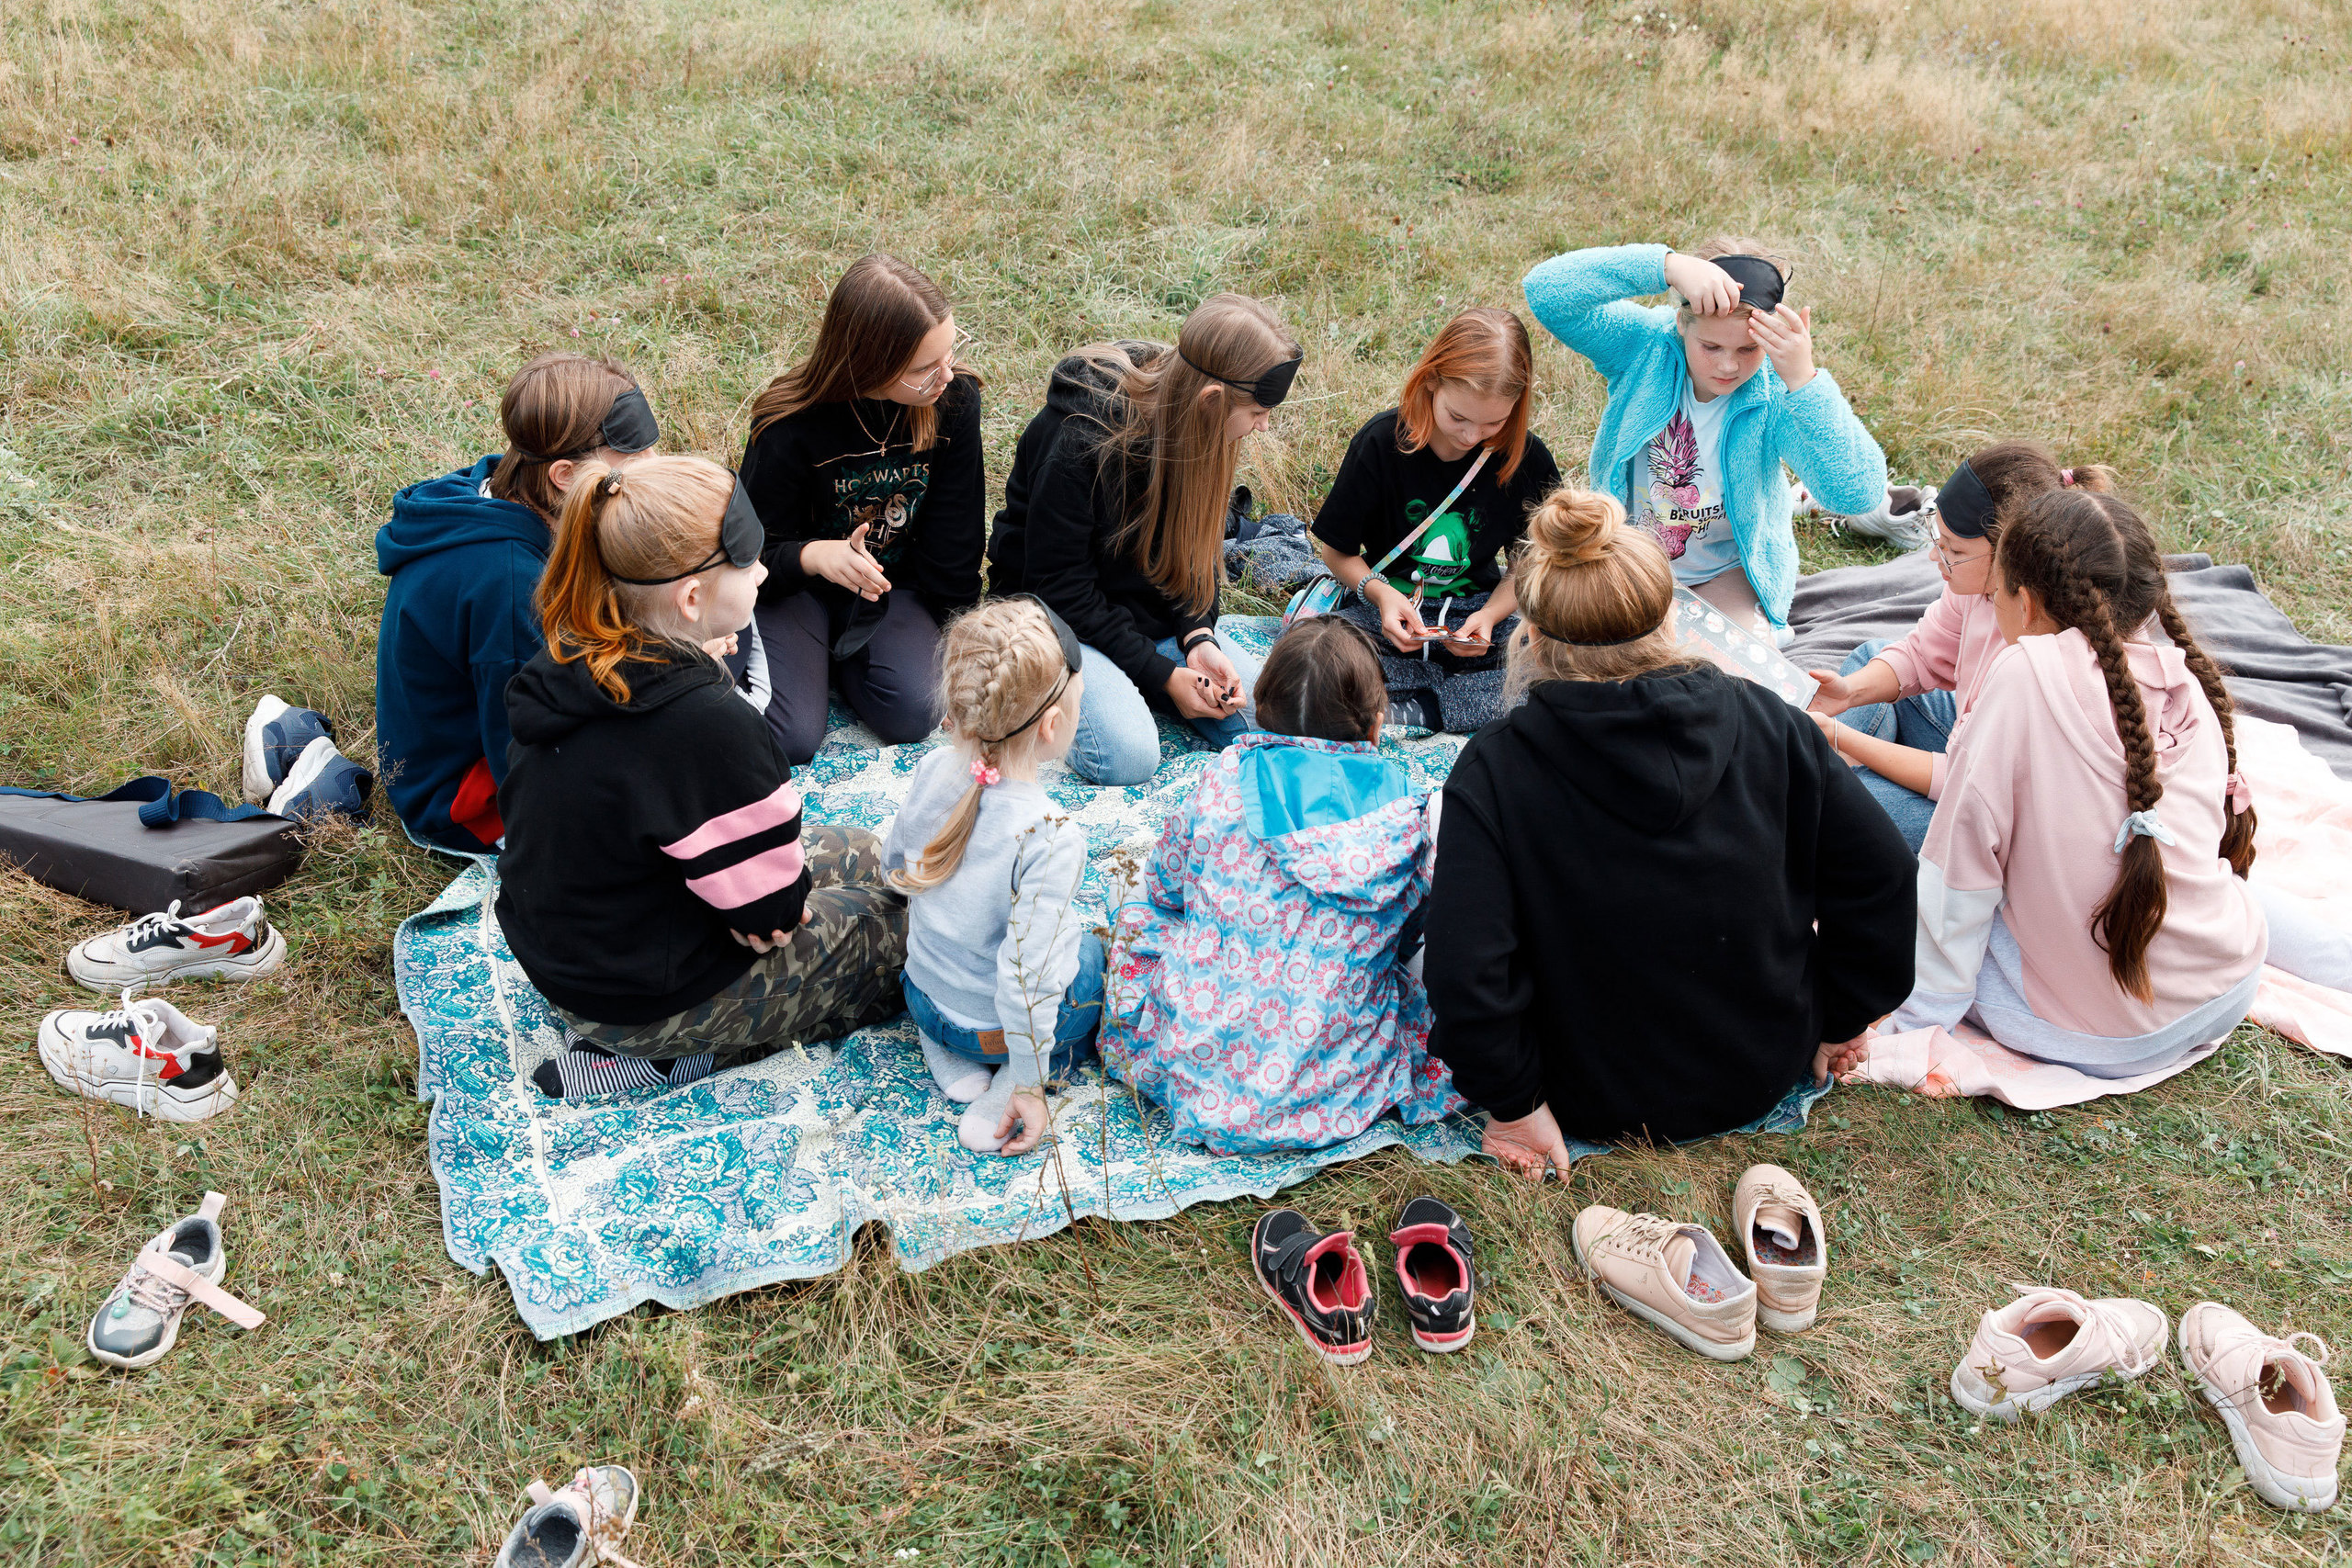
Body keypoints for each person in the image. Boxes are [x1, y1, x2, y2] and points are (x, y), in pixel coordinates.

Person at [1422, 487, 1916, 1173]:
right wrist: (1842, 1018)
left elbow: (1464, 972)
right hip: (1763, 1065)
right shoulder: (1773, 725)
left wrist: (1515, 1106)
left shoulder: (1495, 769)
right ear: (1670, 618)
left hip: (1583, 1094)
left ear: (1530, 637)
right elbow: (1884, 878)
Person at [1828, 489, 2352, 1083]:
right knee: (2199, 880)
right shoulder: (2182, 679)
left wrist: (1919, 1020)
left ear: (2025, 603)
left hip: (2088, 1033)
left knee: (1894, 847)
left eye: (1996, 592)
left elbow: (1960, 879)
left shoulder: (2021, 676)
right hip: (2224, 987)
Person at [495, 456, 907, 1100]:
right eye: (749, 563)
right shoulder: (710, 724)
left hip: (580, 954)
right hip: (638, 1000)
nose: (767, 569)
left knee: (867, 851)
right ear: (691, 599)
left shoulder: (580, 654)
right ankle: (663, 1056)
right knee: (899, 924)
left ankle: (656, 1039)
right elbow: (778, 909)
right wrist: (764, 911)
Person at [1100, 616, 1460, 1154]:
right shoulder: (1410, 815)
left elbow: (1164, 889)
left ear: (1262, 709)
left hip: (1197, 1068)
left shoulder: (1224, 776)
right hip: (1333, 1083)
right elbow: (1416, 934)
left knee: (1129, 906)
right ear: (1377, 723)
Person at [987, 293, 1299, 785]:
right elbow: (1059, 586)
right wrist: (1160, 674)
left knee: (1281, 716)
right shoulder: (1081, 438)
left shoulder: (1207, 428)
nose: (1263, 426)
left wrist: (1198, 637)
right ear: (1211, 400)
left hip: (1146, 617)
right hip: (1055, 619)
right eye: (1258, 411)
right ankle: (1082, 691)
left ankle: (1147, 685)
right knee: (1128, 757)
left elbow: (1197, 553)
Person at [1521, 238, 1887, 643]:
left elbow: (1857, 495)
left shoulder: (1780, 391)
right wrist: (1666, 266)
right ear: (1682, 324)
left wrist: (1805, 382)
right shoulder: (1644, 347)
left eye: (1749, 349)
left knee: (1726, 681)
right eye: (1710, 346)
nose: (1728, 365)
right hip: (1626, 561)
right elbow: (1547, 292)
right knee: (1590, 661)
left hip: (1725, 573)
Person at [376, 354, 659, 852]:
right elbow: (525, 748)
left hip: (483, 725)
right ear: (565, 475)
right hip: (463, 797)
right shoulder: (510, 587)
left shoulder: (501, 484)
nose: (655, 470)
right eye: (635, 460)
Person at [1804, 444, 2118, 849]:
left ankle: (1811, 792)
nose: (1936, 556)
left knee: (1848, 811)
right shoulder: (1976, 588)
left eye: (1955, 551)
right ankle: (1810, 783)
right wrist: (1848, 694)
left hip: (2008, 827)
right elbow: (1924, 652)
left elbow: (1969, 782)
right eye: (1938, 537)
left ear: (2011, 558)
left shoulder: (2044, 663)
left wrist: (1844, 739)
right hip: (1968, 755)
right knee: (1871, 661)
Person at [738, 254, 986, 762]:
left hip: (892, 588)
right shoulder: (790, 425)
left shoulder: (951, 401)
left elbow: (955, 538)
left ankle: (842, 661)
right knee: (792, 737)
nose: (946, 375)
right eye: (923, 368)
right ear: (868, 362)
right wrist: (816, 557)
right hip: (796, 588)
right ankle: (816, 659)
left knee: (915, 712)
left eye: (950, 352)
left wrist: (954, 640)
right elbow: (751, 552)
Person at [882, 597, 1100, 1156]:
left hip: (924, 997)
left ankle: (945, 1051)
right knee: (1094, 963)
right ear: (1053, 727)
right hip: (994, 1027)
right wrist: (1029, 1082)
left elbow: (894, 866)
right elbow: (1029, 978)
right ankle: (1005, 1082)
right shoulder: (1049, 834)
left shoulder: (935, 769)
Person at [1309, 307, 1564, 733]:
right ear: (1430, 381)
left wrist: (1491, 617)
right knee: (1320, 657)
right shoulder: (1380, 443)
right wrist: (1383, 595)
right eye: (1458, 417)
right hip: (1382, 609)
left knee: (1557, 659)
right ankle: (1458, 704)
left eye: (1494, 423)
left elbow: (1530, 567)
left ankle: (1421, 708)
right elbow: (1337, 553)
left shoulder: (1527, 459)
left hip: (1475, 612)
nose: (1470, 437)